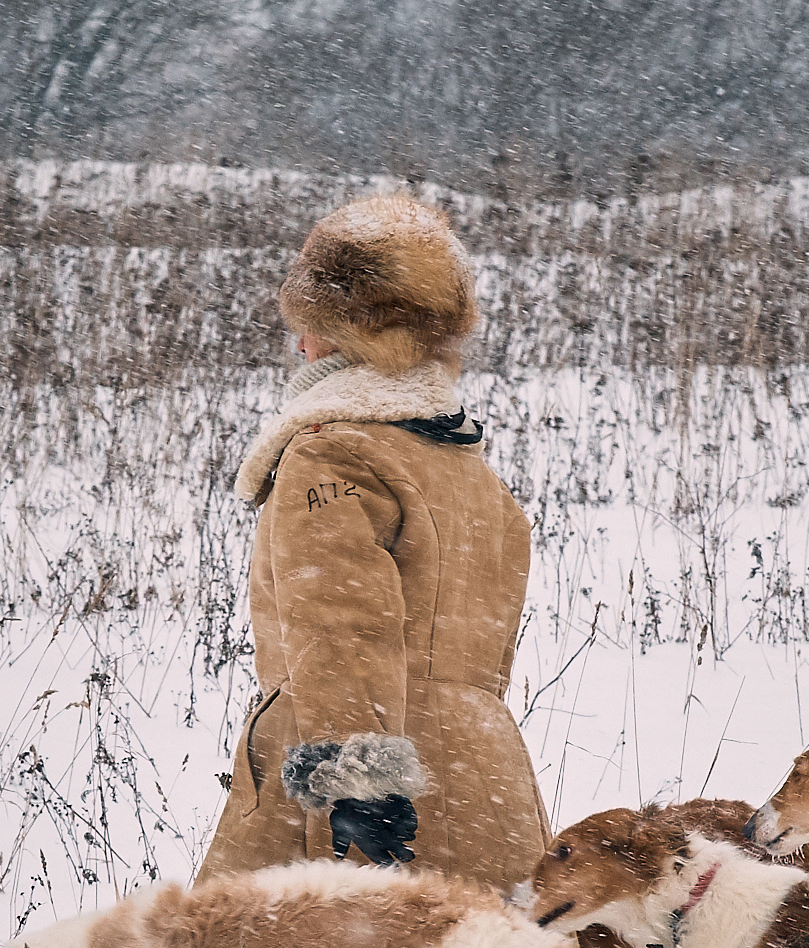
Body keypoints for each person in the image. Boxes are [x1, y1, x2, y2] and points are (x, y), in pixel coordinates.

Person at [196, 195, 549, 893]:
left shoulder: (332, 457)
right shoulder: (469, 469)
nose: (300, 345)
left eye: (312, 328)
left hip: (367, 772)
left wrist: (357, 778)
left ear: (351, 333)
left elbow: (341, 625)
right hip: (488, 779)